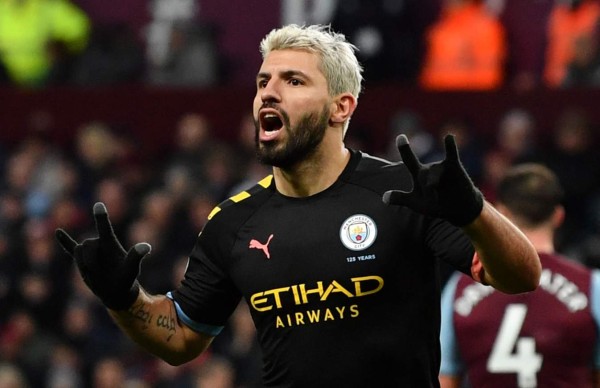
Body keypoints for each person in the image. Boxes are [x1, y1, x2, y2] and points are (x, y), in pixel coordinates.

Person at [54, 24, 540, 387]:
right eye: (264, 81)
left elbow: (521, 277)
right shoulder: (233, 222)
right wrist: (124, 299)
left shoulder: (404, 193)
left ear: (341, 107)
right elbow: (181, 340)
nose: (268, 91)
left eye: (293, 81)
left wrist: (474, 210)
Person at [439, 163, 600, 388]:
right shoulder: (592, 286)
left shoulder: (460, 287)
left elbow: (444, 379)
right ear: (558, 215)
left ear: (501, 213)